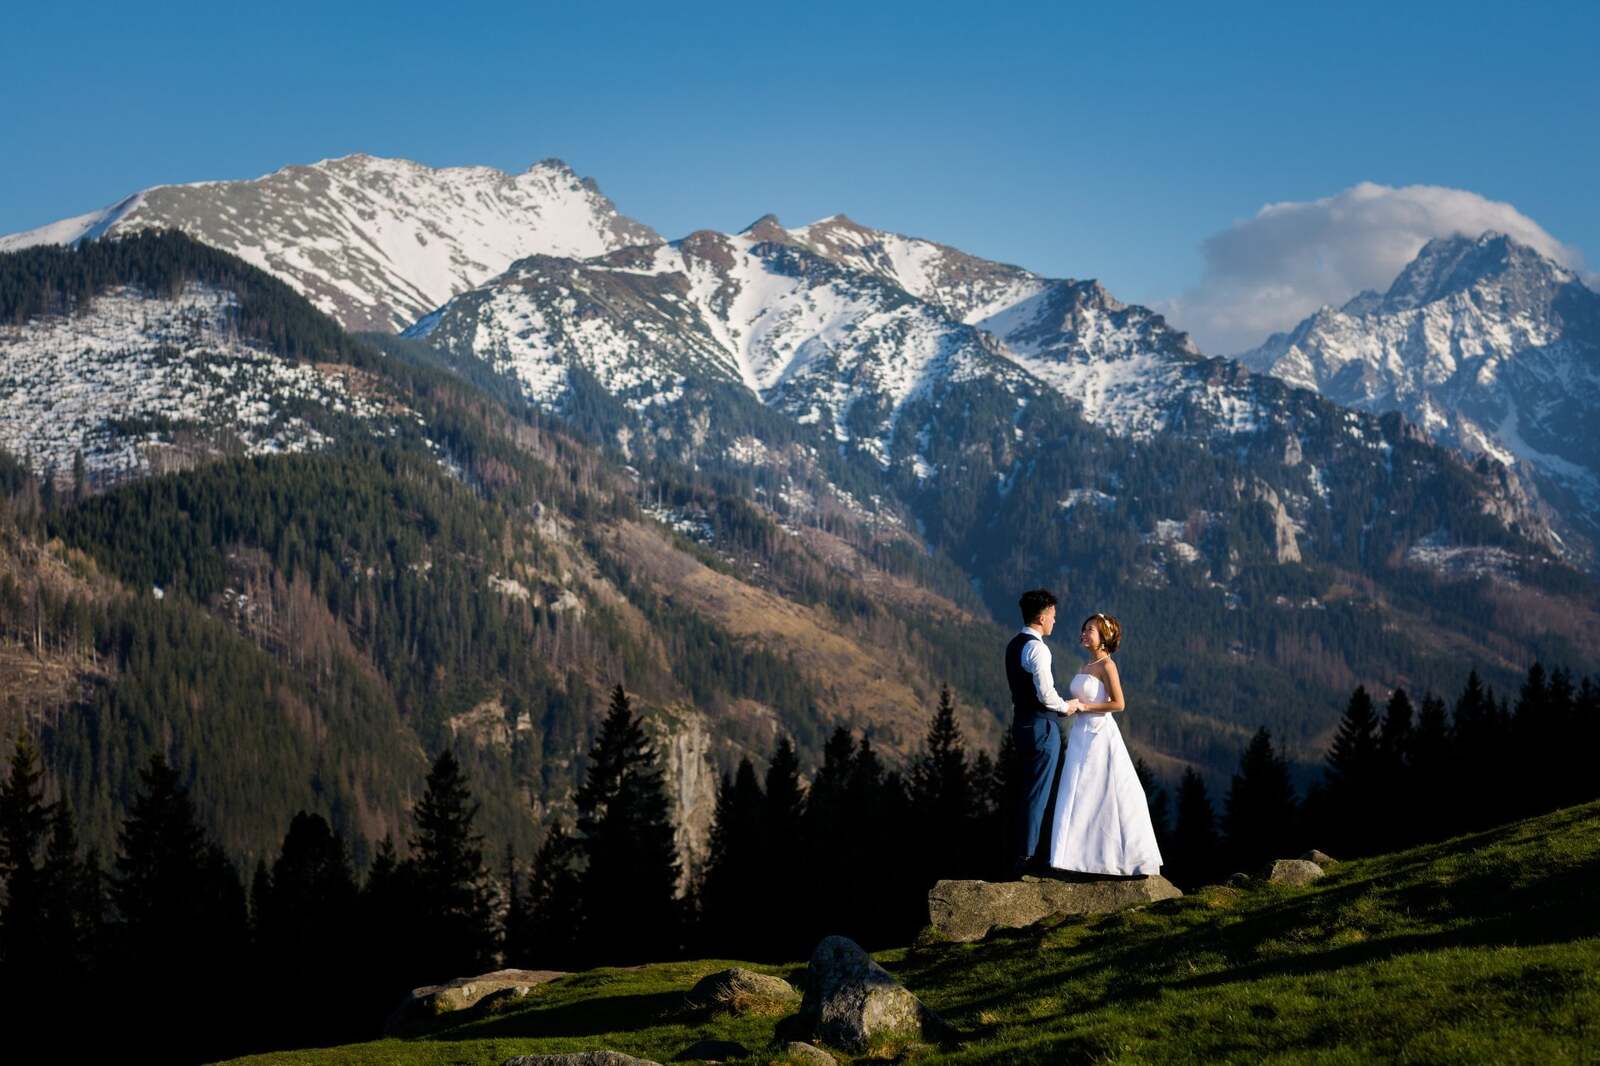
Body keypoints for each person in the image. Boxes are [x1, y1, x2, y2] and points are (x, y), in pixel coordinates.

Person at [1047, 613, 1163, 876]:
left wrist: (1085, 706)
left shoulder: (1107, 666)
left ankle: (1111, 858)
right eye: (1084, 628)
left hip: (1099, 734)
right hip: (1080, 733)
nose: (1084, 633)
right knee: (1079, 792)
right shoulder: (1085, 666)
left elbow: (1118, 704)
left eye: (1091, 630)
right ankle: (1077, 857)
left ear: (1104, 638)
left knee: (1100, 791)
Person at [1004, 588, 1075, 879]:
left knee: (1027, 790)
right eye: (1054, 617)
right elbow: (1046, 694)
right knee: (1039, 793)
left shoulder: (1013, 644)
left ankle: (1023, 850)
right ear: (1043, 616)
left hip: (1021, 724)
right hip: (1042, 726)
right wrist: (1066, 707)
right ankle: (1029, 856)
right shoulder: (1037, 648)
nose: (1055, 622)